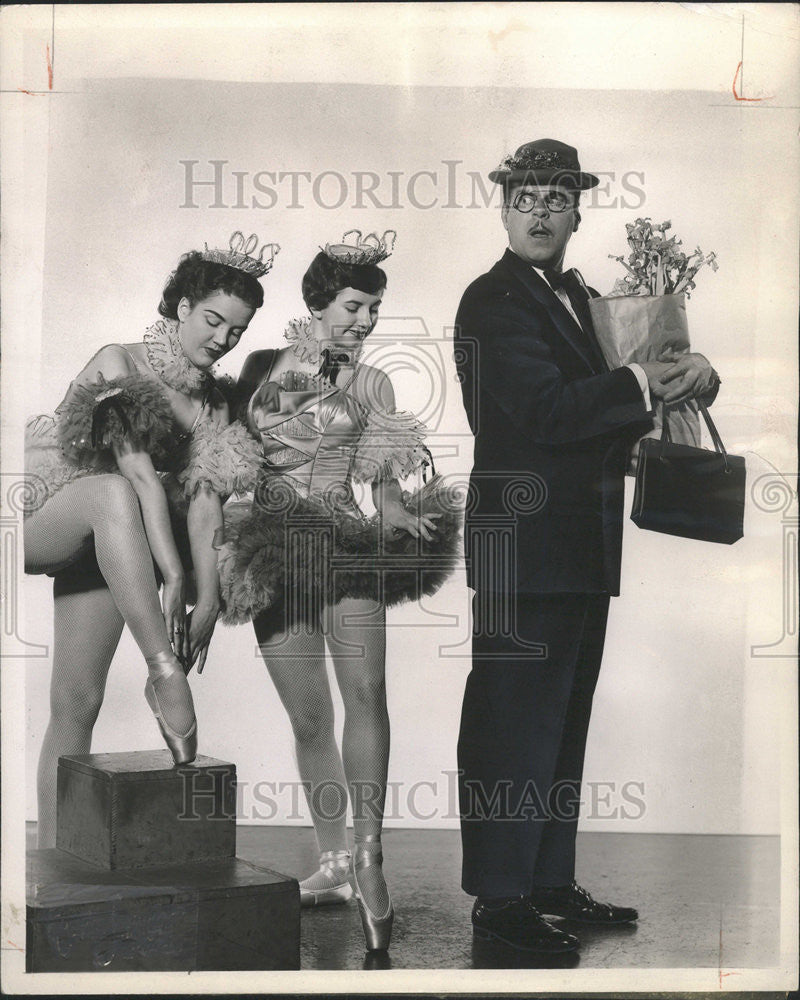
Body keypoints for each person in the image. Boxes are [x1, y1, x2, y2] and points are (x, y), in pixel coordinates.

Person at [453, 140, 720, 954]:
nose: (540, 210)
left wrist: (693, 373)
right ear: (503, 209)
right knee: (510, 721)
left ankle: (546, 881)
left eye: (556, 197)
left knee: (561, 718)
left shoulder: (583, 298)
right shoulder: (493, 301)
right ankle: (501, 900)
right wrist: (644, 384)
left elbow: (624, 395)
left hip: (576, 539)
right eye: (526, 195)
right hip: (519, 538)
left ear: (577, 212)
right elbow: (547, 409)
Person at [217, 231, 460, 951]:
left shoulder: (373, 382)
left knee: (366, 696)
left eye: (374, 310)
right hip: (272, 548)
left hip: (348, 545)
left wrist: (401, 513)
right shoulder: (260, 367)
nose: (364, 322)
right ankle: (333, 861)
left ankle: (370, 852)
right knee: (308, 721)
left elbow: (382, 488)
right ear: (319, 303)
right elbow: (230, 472)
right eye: (354, 306)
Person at [25, 233, 273, 848]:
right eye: (213, 320)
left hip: (117, 546)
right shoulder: (119, 362)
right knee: (114, 490)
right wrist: (177, 578)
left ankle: (54, 861)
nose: (221, 340)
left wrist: (208, 601)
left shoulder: (213, 401)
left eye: (236, 332)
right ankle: (164, 671)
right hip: (47, 515)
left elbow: (206, 501)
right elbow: (135, 473)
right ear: (182, 306)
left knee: (76, 703)